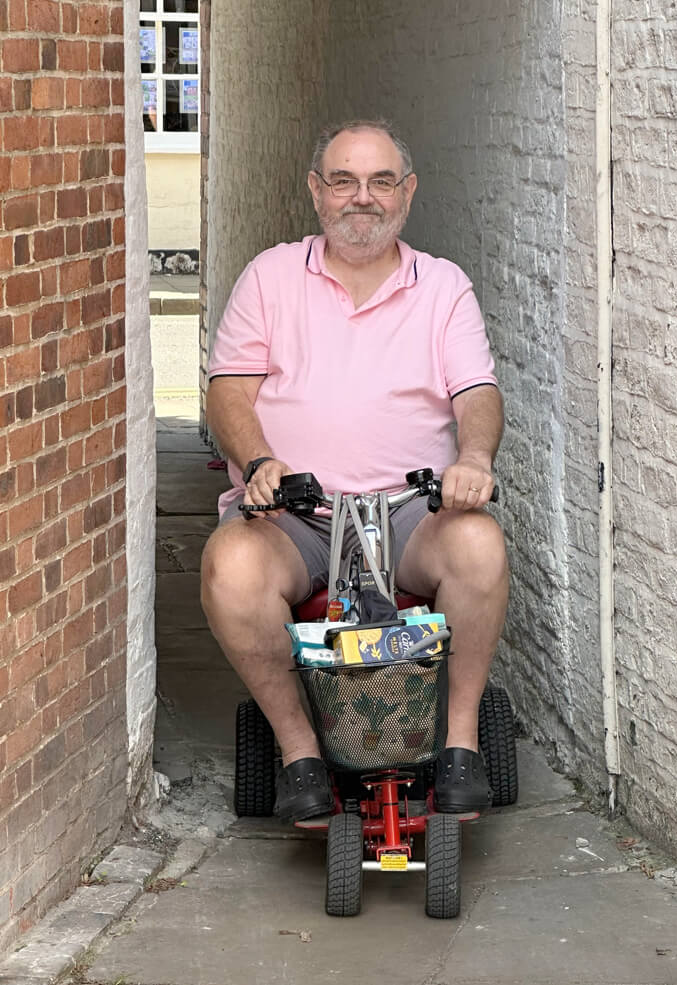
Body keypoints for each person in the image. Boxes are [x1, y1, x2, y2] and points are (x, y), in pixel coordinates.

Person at [200, 120, 508, 822]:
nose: (361, 198)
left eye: (380, 182)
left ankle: (458, 745)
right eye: (343, 180)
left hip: (409, 511)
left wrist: (474, 458)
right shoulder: (271, 276)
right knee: (231, 567)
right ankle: (300, 751)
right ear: (317, 192)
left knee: (479, 543)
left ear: (408, 192)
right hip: (298, 516)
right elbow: (228, 389)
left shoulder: (443, 287)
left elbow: (478, 393)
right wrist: (258, 462)